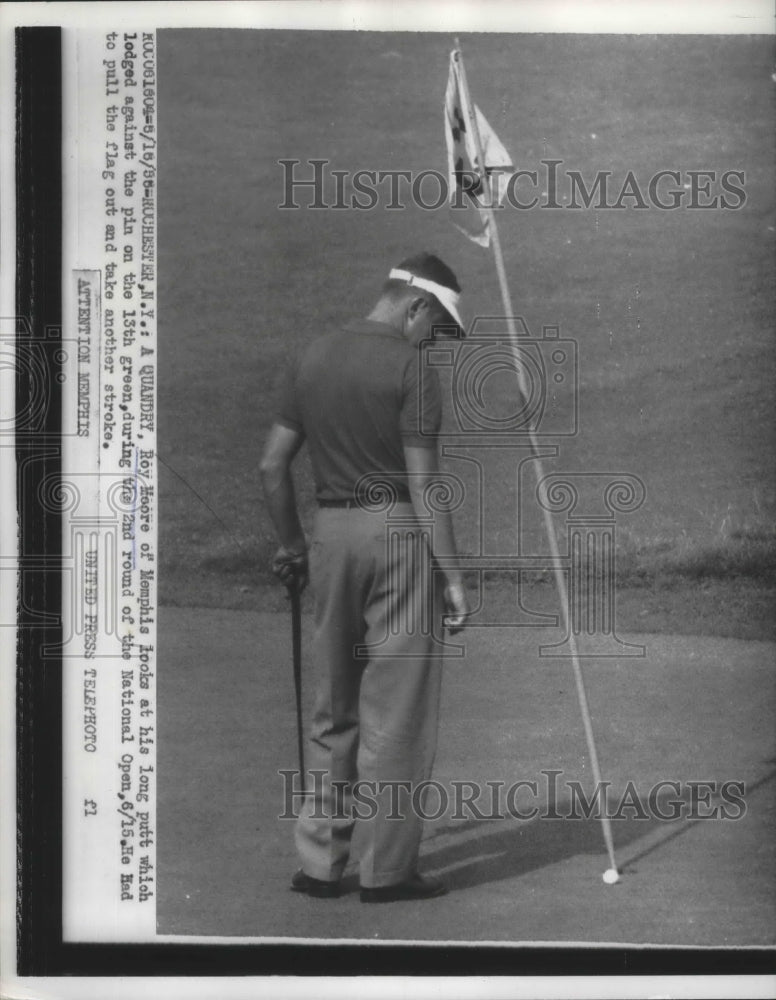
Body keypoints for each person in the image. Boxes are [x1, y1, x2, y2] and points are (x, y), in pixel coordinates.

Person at [260, 252, 470, 903]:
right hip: (399, 538)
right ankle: (387, 873)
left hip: (331, 538)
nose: (434, 340)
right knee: (397, 714)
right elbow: (425, 485)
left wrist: (293, 546)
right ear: (416, 305)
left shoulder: (312, 354)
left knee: (335, 706)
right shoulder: (411, 368)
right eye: (436, 326)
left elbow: (272, 467)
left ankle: (320, 865)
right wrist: (454, 576)